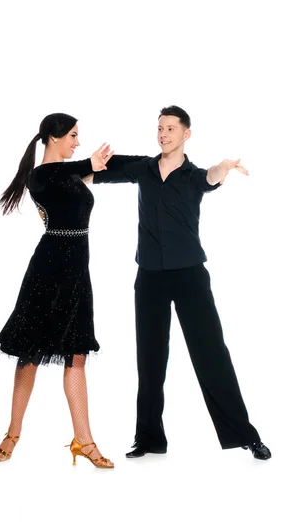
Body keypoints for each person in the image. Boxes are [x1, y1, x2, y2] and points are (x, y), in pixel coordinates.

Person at [90, 105, 272, 460]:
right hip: (150, 278)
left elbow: (212, 176)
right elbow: (97, 174)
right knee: (150, 360)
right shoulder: (143, 167)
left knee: (212, 355)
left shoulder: (192, 176)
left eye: (170, 129)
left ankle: (246, 436)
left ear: (186, 134)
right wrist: (66, 174)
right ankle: (149, 439)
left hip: (190, 276)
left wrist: (225, 167)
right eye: (160, 128)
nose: (163, 134)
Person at [0, 112, 115, 468]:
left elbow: (101, 169)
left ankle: (85, 441)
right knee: (29, 353)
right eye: (73, 135)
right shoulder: (41, 176)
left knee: (76, 354)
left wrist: (152, 165)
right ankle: (12, 433)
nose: (78, 142)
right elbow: (54, 173)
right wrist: (86, 165)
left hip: (78, 272)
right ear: (54, 137)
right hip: (48, 272)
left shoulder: (72, 173)